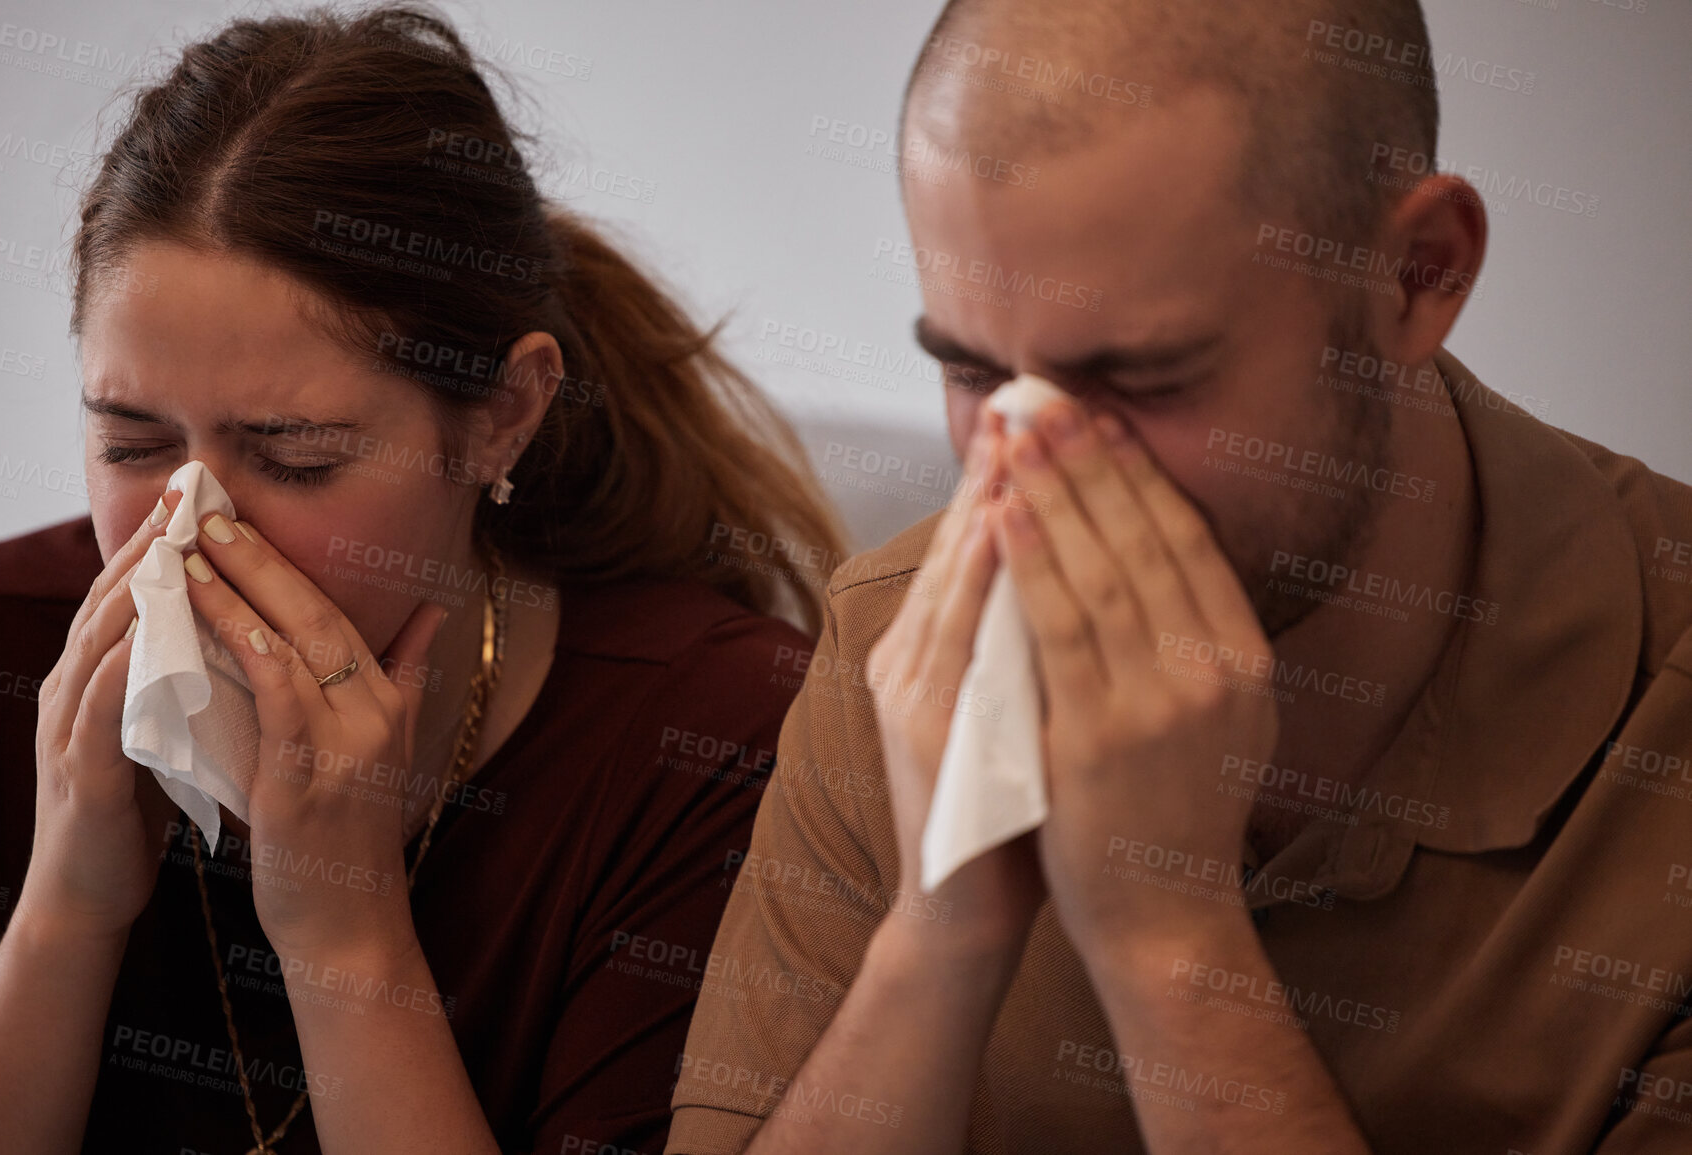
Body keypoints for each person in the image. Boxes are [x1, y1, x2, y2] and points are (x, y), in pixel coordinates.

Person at [668, 2, 1692, 1153]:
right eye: (973, 374)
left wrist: (1168, 938)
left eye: (1146, 380)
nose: (1033, 482)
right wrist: (941, 933)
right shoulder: (898, 646)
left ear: (1417, 273)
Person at [0, 5, 848, 1153]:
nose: (191, 528)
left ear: (502, 421)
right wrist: (67, 909)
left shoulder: (716, 742)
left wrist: (346, 936)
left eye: (295, 458)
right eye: (132, 446)